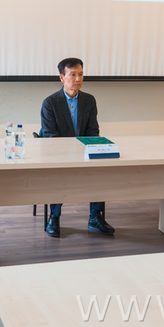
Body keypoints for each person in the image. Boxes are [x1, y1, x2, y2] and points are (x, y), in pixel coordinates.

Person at [39, 57, 114, 238]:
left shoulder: (89, 100)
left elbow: (93, 132)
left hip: (83, 152)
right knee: (58, 171)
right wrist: (69, 153)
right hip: (59, 154)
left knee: (100, 168)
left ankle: (95, 217)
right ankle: (54, 217)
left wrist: (86, 151)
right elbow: (50, 137)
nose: (78, 79)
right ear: (62, 78)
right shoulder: (50, 103)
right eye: (72, 74)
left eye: (80, 74)